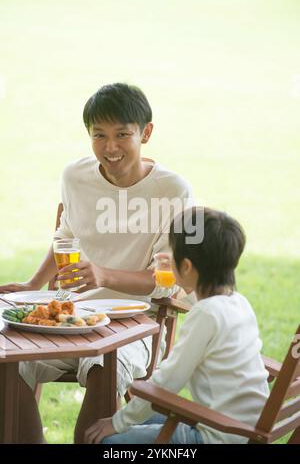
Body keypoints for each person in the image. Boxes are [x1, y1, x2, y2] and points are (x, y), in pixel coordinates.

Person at [0, 83, 194, 443]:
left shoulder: (173, 190)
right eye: (99, 135)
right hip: (67, 314)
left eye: (122, 135)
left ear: (146, 133)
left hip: (135, 322)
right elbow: (66, 234)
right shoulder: (76, 177)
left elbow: (169, 280)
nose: (110, 147)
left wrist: (104, 275)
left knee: (103, 368)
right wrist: (32, 284)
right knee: (8, 363)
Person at [84, 207, 270, 445]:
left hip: (214, 437)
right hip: (243, 430)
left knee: (109, 444)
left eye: (175, 254)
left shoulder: (206, 315)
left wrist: (117, 423)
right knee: (135, 418)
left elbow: (166, 383)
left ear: (187, 267)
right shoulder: (237, 304)